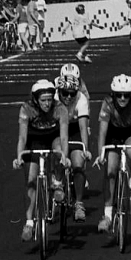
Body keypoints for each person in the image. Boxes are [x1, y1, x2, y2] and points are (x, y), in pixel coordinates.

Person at [13, 80, 70, 241]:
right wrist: (19, 156)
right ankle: (29, 222)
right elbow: (22, 137)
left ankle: (57, 181)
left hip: (53, 137)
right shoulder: (26, 108)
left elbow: (64, 137)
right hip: (34, 139)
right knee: (31, 180)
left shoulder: (60, 108)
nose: (47, 103)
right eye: (43, 100)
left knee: (59, 150)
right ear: (36, 100)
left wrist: (65, 157)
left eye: (49, 99)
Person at [95, 75, 131, 233]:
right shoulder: (107, 103)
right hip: (113, 133)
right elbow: (102, 133)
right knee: (110, 170)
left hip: (130, 132)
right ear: (113, 94)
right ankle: (108, 215)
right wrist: (100, 154)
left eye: (126, 95)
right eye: (119, 95)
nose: (122, 98)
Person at [54, 75, 91, 222]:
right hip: (57, 127)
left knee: (78, 163)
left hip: (74, 128)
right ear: (59, 91)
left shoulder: (81, 99)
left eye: (72, 93)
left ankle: (79, 203)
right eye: (65, 93)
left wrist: (85, 149)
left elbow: (83, 127)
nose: (69, 96)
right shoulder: (54, 99)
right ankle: (57, 181)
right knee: (58, 152)